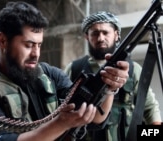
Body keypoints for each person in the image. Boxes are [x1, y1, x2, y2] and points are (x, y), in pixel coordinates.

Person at [0, 2, 129, 141]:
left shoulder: (50, 75)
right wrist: (60, 124)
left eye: (39, 45)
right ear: (3, 40)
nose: (36, 54)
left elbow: (94, 118)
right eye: (28, 45)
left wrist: (109, 87)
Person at [64, 11, 162, 141]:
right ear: (86, 36)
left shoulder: (133, 69)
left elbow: (150, 108)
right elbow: (61, 108)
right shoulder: (74, 69)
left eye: (105, 33)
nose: (100, 38)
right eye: (95, 33)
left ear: (116, 35)